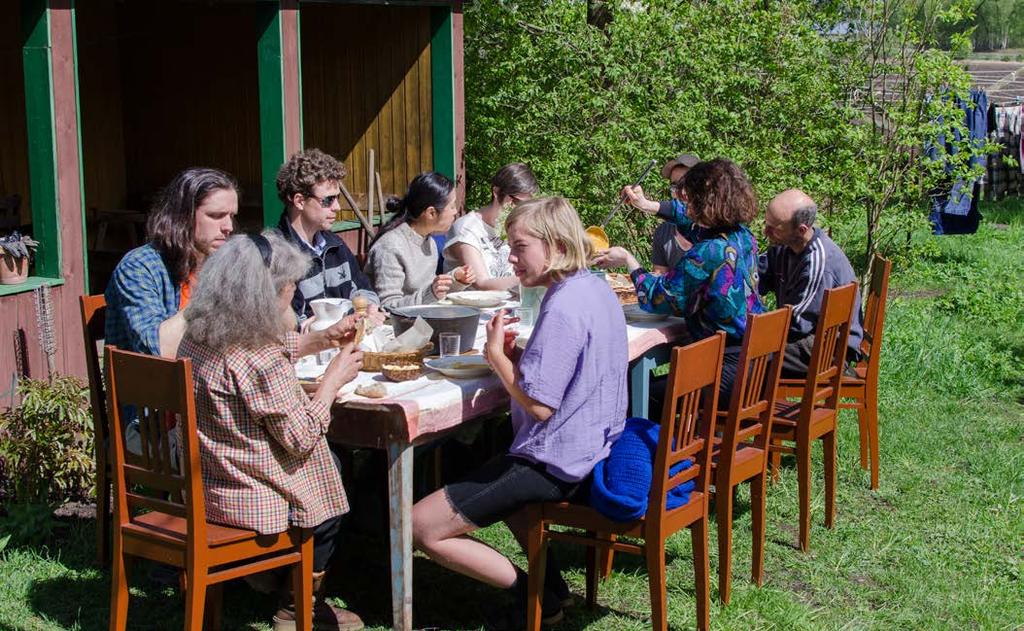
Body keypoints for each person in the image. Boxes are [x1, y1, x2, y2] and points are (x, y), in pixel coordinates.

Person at [412, 197, 628, 629]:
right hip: (594, 445)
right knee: (490, 461)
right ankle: (554, 591)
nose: (510, 256)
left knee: (421, 526)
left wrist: (496, 358)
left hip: (554, 460)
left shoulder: (564, 305)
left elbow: (540, 405)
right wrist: (517, 358)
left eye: (519, 246)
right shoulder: (594, 286)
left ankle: (536, 599)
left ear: (557, 246)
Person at [178, 231, 365, 631]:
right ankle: (294, 606)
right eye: (289, 288)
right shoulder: (261, 359)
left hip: (206, 483)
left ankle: (268, 577)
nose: (292, 297)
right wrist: (333, 380)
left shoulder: (198, 336)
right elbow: (299, 438)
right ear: (267, 294)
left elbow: (261, 353)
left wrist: (317, 340)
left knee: (328, 465)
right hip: (249, 497)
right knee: (331, 478)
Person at [106, 167, 356, 359]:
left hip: (216, 392)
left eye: (231, 216)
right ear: (180, 217)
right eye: (215, 216)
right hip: (158, 416)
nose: (228, 227)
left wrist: (276, 291)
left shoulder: (221, 258)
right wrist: (217, 293)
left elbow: (284, 330)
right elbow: (159, 351)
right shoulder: (140, 267)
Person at [594, 158, 764, 401]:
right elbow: (687, 219)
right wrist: (646, 205)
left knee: (629, 396)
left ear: (704, 202)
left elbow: (658, 298)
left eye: (690, 198)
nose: (685, 203)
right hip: (754, 364)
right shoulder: (742, 236)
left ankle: (654, 438)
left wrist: (629, 261)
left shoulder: (708, 252)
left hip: (724, 371)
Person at [760, 189, 864, 376]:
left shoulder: (818, 263)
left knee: (750, 358)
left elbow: (798, 322)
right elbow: (757, 276)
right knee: (743, 350)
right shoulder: (784, 246)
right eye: (766, 223)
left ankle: (747, 403)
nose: (765, 232)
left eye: (773, 228)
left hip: (827, 347)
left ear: (801, 230)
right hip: (805, 335)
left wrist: (755, 332)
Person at [275, 147, 384, 325]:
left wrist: (369, 309)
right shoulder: (277, 254)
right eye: (328, 200)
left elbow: (363, 289)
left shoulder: (335, 245)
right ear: (299, 201)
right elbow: (290, 325)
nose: (337, 207)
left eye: (337, 198)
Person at [364, 171, 475, 309]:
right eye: (452, 206)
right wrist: (432, 292)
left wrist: (455, 279)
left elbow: (428, 293)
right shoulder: (390, 247)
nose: (455, 211)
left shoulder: (429, 241)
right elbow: (387, 307)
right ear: (431, 213)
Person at [441, 162, 539, 291]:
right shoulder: (466, 227)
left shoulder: (517, 225)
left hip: (510, 306)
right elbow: (482, 284)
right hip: (472, 308)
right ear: (496, 192)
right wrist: (535, 276)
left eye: (526, 204)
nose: (520, 209)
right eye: (516, 201)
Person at [621, 153, 701, 274]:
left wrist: (645, 204)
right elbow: (660, 282)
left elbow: (688, 215)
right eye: (675, 186)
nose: (681, 192)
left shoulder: (720, 229)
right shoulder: (663, 232)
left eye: (686, 183)